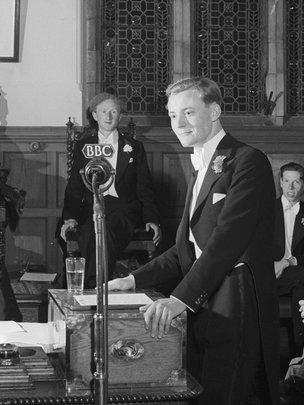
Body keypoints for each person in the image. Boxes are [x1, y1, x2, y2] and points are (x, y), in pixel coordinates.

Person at [108, 77, 280, 404]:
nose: (178, 123)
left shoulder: (247, 160)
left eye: (188, 112)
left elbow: (226, 242)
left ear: (214, 111)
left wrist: (179, 300)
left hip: (235, 301)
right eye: (173, 115)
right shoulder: (201, 164)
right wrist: (132, 280)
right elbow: (185, 249)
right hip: (205, 301)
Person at [60, 92, 161, 288]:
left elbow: (144, 187)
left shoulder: (134, 147)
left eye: (113, 111)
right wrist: (69, 217)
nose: (108, 116)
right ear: (95, 115)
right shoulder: (83, 146)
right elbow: (74, 187)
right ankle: (99, 286)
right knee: (91, 229)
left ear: (120, 116)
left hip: (123, 209)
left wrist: (151, 218)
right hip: (91, 208)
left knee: (105, 228)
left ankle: (94, 287)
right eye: (103, 111)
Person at [273, 162, 304, 354]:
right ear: (281, 183)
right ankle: (299, 355)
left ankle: (297, 353)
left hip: (297, 272)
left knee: (301, 280)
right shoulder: (267, 210)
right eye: (287, 181)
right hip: (270, 274)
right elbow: (256, 247)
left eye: (296, 182)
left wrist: (286, 261)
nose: (291, 187)